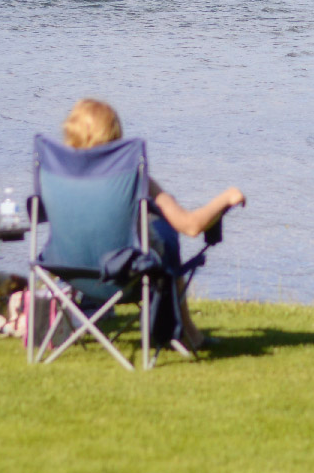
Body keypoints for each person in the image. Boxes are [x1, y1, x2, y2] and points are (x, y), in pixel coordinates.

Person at [61, 98, 245, 350]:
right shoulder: (135, 181)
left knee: (157, 236)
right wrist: (227, 197)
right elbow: (190, 225)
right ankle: (187, 335)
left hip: (73, 274)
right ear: (116, 139)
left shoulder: (61, 181)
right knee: (164, 238)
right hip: (124, 281)